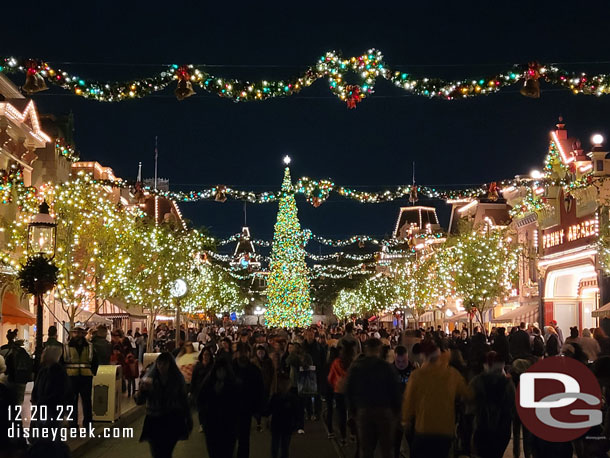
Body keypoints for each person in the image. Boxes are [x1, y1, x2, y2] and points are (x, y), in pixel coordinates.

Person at [402, 341, 471, 458]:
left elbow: (409, 400)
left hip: (424, 427)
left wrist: (405, 420)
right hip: (445, 429)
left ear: (424, 356)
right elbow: (467, 394)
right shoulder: (451, 373)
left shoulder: (417, 375)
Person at [346, 338, 401, 458]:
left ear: (366, 349)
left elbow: (349, 389)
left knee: (366, 448)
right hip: (384, 410)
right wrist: (396, 412)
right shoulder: (386, 367)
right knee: (386, 448)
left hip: (363, 410)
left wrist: (353, 411)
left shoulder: (357, 367)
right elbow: (395, 390)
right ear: (379, 350)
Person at [136, 352, 192, 458]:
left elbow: (183, 400)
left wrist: (188, 418)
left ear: (170, 365)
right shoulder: (151, 380)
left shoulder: (177, 381)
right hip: (154, 420)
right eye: (159, 364)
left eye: (164, 364)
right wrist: (142, 391)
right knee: (156, 451)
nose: (161, 367)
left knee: (166, 451)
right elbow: (139, 401)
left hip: (171, 420)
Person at [469, 351, 515, 458]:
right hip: (502, 428)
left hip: (482, 425)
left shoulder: (477, 381)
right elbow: (513, 404)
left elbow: (468, 402)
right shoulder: (507, 383)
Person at [198, 357, 241, 458]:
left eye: (223, 370)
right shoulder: (208, 383)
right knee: (214, 452)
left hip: (228, 425)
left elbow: (237, 404)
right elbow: (201, 400)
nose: (221, 373)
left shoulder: (233, 384)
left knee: (227, 452)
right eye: (219, 370)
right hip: (212, 424)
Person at [233, 342, 265, 458]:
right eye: (240, 352)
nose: (243, 355)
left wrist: (257, 408)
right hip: (231, 409)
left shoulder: (254, 370)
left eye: (245, 352)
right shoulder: (230, 368)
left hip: (246, 409)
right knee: (231, 437)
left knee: (244, 439)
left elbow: (259, 390)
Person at [62, 325, 98, 427]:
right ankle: (73, 423)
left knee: (86, 401)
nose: (77, 334)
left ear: (84, 334)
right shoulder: (66, 346)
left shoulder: (90, 346)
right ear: (72, 334)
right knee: (72, 401)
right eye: (75, 332)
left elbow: (95, 361)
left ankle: (87, 423)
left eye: (80, 332)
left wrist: (93, 372)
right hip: (71, 377)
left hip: (85, 377)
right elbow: (61, 362)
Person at [31, 347, 70, 429]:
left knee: (47, 428)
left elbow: (58, 391)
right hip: (44, 404)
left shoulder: (56, 371)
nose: (42, 355)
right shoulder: (44, 369)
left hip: (50, 406)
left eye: (44, 354)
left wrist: (40, 400)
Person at [327, 341, 355, 445]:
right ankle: (353, 434)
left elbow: (330, 378)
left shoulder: (336, 363)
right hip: (351, 391)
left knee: (341, 414)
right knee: (352, 413)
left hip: (339, 391)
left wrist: (335, 385)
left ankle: (343, 437)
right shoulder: (353, 363)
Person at [391, 345, 415, 458]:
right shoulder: (390, 371)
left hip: (411, 413)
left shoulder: (414, 371)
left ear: (408, 358)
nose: (401, 364)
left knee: (413, 443)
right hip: (396, 413)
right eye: (398, 361)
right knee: (395, 443)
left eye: (403, 361)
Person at [269, 374, 299, 458]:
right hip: (280, 425)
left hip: (284, 425)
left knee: (283, 447)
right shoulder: (276, 397)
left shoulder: (291, 398)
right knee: (278, 446)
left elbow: (296, 412)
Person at [0, 329, 33, 406]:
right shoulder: (21, 351)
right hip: (20, 379)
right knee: (18, 402)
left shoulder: (3, 349)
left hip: (7, 379)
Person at [302, 328, 325, 421]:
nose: (310, 336)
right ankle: (309, 412)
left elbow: (323, 359)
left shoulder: (319, 346)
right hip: (306, 372)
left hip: (317, 371)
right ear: (305, 335)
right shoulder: (302, 346)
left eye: (311, 334)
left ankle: (317, 413)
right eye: (308, 334)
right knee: (307, 394)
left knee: (317, 394)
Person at [252, 344, 276, 432]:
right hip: (257, 388)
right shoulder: (253, 362)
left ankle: (267, 421)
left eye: (262, 352)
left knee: (267, 405)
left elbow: (273, 375)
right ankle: (258, 423)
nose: (261, 354)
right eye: (259, 352)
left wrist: (273, 386)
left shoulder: (269, 362)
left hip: (267, 386)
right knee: (257, 407)